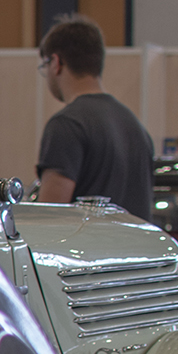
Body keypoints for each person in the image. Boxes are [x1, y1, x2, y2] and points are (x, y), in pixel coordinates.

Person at [35, 15, 155, 214]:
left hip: (85, 245)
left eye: (45, 66)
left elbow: (49, 216)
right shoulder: (136, 128)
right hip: (132, 244)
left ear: (56, 63)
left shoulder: (67, 125)